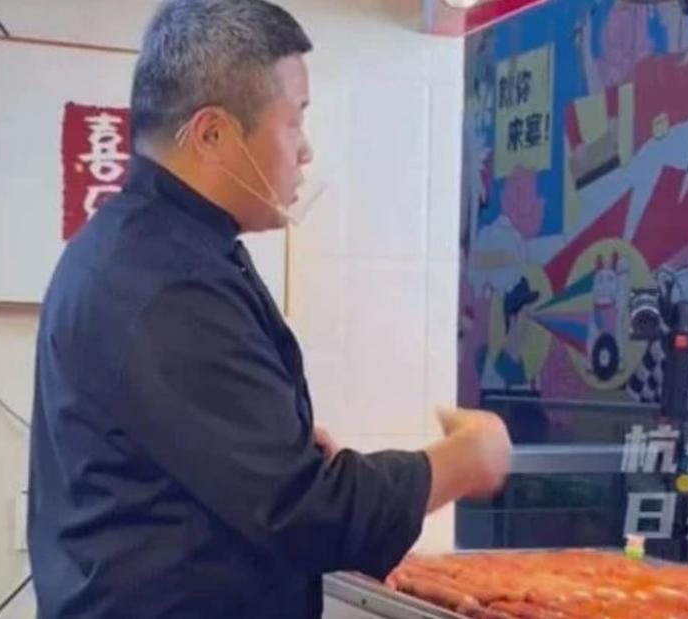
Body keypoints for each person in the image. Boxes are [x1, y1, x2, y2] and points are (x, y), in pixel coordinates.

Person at [27, 1, 512, 618]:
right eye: (294, 121)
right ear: (212, 134)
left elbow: (227, 470)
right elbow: (302, 512)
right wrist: (461, 462)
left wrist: (273, 444)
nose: (305, 151)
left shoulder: (150, 246)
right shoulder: (167, 284)